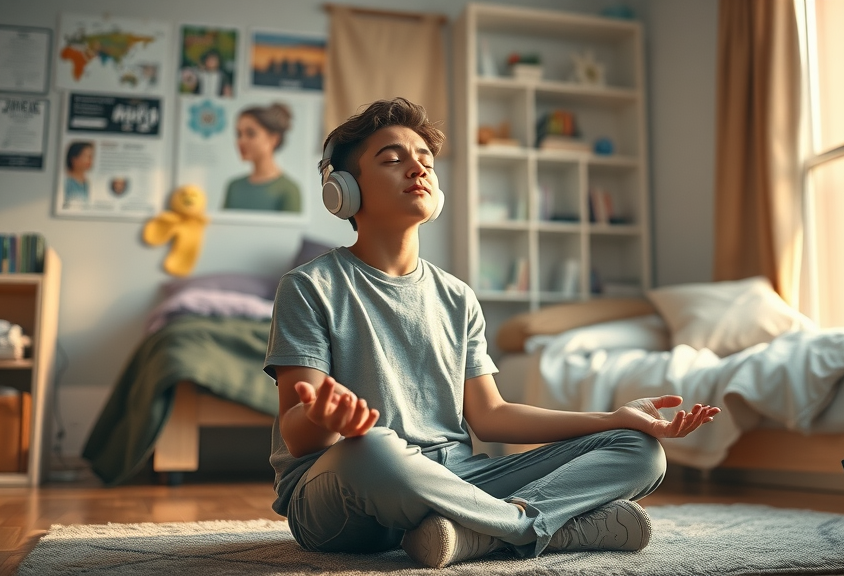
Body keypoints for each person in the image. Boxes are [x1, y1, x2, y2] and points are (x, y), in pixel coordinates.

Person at [264, 97, 720, 568]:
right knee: (375, 446)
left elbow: (492, 415)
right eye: (392, 159)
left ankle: (473, 534)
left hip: (460, 484)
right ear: (343, 190)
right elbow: (299, 439)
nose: (417, 169)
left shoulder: (457, 297)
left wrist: (614, 419)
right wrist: (327, 419)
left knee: (641, 450)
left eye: (425, 160)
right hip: (346, 491)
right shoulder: (308, 287)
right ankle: (531, 528)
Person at [222, 102, 301, 213]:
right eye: (239, 134)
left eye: (251, 133)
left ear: (274, 139)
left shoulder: (289, 190)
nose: (241, 141)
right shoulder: (233, 187)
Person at [63, 141, 94, 207]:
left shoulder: (87, 183)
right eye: (86, 156)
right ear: (74, 159)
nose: (90, 160)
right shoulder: (66, 182)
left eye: (91, 156)